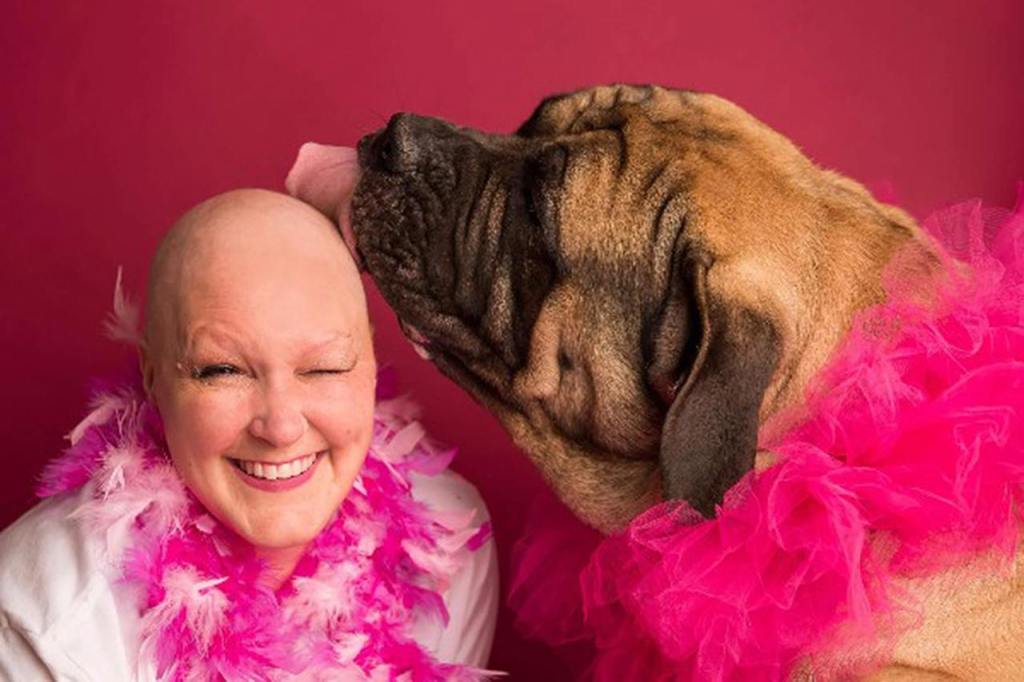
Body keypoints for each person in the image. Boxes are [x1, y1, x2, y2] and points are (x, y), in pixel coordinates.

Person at [0, 189, 498, 680]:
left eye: (323, 369)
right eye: (223, 370)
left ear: (368, 362)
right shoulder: (45, 623)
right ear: (153, 376)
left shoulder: (450, 547)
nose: (281, 427)